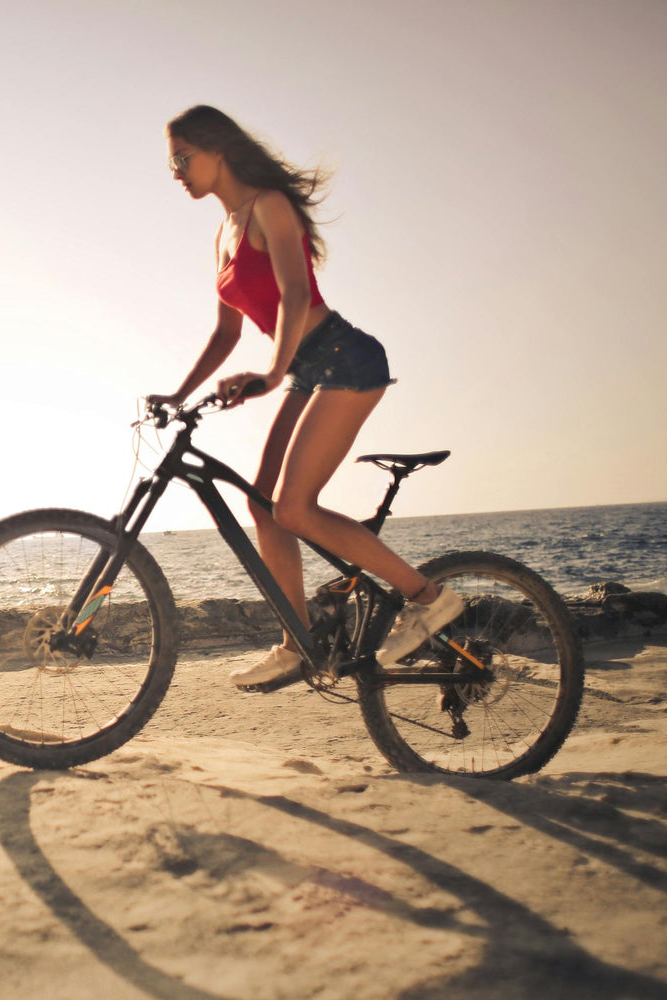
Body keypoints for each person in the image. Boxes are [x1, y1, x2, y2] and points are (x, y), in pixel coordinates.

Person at [149, 104, 461, 691]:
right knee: (263, 505)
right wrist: (179, 392)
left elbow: (294, 294)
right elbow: (226, 333)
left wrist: (270, 374)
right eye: (173, 160)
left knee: (293, 507)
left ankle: (428, 597)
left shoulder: (270, 206)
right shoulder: (225, 231)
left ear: (217, 150)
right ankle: (298, 643)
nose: (176, 170)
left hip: (346, 357)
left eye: (182, 157)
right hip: (307, 367)